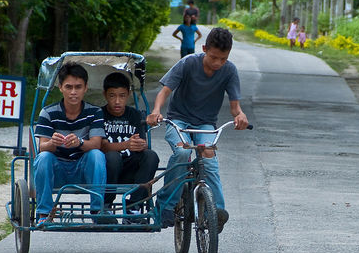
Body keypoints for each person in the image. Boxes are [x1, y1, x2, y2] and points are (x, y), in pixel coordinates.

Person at [146, 28, 249, 232]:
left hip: (205, 124)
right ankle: (165, 206)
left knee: (209, 157)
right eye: (213, 57)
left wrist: (240, 115)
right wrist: (156, 111)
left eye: (223, 58)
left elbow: (235, 107)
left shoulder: (229, 71)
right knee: (183, 152)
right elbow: (164, 91)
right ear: (204, 49)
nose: (218, 63)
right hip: (179, 120)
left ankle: (217, 212)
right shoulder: (188, 63)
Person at [33, 62, 113, 227]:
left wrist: (79, 142)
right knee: (43, 157)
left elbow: (97, 144)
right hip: (57, 169)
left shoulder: (94, 112)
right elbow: (42, 147)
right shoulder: (48, 112)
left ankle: (97, 211)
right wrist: (52, 143)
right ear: (61, 87)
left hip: (82, 168)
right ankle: (44, 212)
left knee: (97, 154)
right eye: (69, 87)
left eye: (78, 87)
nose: (73, 92)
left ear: (86, 88)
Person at [100, 72, 159, 214]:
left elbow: (141, 143)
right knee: (112, 156)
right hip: (108, 171)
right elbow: (101, 145)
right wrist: (126, 144)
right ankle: (106, 205)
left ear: (128, 94)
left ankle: (134, 205)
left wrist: (141, 145)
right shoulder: (99, 114)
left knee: (151, 156)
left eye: (122, 96)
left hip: (130, 169)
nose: (117, 101)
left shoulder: (135, 115)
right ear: (105, 95)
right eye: (112, 96)